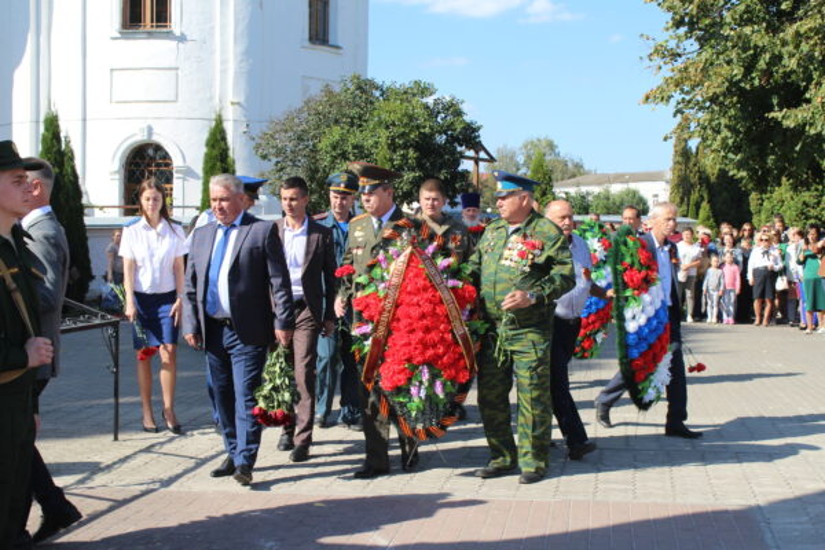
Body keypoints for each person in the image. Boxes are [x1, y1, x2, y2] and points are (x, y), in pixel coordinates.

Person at [183, 174, 294, 486]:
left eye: (224, 200)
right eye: (214, 200)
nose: (218, 206)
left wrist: (283, 322)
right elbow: (190, 285)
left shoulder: (260, 231)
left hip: (247, 330)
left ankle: (245, 460)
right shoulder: (202, 234)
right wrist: (191, 323)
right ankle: (232, 451)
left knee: (245, 395)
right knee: (221, 396)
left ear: (240, 199)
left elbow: (279, 282)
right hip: (212, 330)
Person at [469, 170, 575, 485]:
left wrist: (533, 295)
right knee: (490, 396)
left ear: (524, 199)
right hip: (491, 329)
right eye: (498, 197)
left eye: (504, 197)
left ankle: (533, 462)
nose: (497, 202)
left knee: (532, 396)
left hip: (529, 330)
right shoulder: (492, 231)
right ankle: (501, 456)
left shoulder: (546, 231)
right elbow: (475, 267)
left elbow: (566, 275)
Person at [334, 162, 417, 479]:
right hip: (364, 323)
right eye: (363, 193)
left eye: (370, 192)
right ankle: (376, 460)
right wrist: (342, 295)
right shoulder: (357, 225)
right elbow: (346, 266)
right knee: (368, 389)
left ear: (388, 192)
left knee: (400, 387)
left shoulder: (408, 225)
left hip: (399, 324)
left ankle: (409, 443)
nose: (365, 198)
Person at [595, 202, 703, 439]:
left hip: (669, 314)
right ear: (651, 222)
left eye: (674, 220)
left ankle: (675, 421)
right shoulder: (640, 246)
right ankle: (604, 400)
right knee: (640, 364)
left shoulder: (671, 249)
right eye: (667, 219)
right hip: (646, 317)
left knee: (675, 369)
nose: (672, 224)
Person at [20, 159, 82, 544]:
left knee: (16, 438)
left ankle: (52, 506)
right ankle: (54, 505)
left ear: (37, 189)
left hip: (33, 353)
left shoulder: (41, 231)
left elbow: (46, 293)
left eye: (18, 182)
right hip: (32, 352)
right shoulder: (33, 227)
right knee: (17, 438)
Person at [0, 141, 54, 550]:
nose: (28, 189)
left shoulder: (16, 241)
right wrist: (23, 356)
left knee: (16, 489)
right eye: (17, 181)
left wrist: (32, 400)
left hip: (18, 395)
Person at [274, 177, 336, 463]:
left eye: (294, 198)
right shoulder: (272, 231)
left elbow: (330, 277)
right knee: (281, 372)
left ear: (306, 199)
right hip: (278, 312)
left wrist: (329, 315)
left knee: (304, 372)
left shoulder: (320, 234)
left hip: (307, 311)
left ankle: (303, 438)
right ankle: (286, 428)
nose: (289, 204)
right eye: (285, 198)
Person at [119, 179, 188, 434]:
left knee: (168, 351)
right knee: (144, 355)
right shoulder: (132, 230)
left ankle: (168, 409)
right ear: (141, 201)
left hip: (167, 299)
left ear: (163, 201)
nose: (151, 203)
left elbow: (179, 267)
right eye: (147, 199)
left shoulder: (175, 230)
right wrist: (128, 301)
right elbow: (128, 269)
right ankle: (147, 411)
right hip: (141, 299)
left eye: (156, 199)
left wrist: (181, 297)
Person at [544, 199, 603, 460]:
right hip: (548, 322)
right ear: (548, 221)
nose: (568, 222)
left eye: (570, 217)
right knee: (558, 382)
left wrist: (608, 294)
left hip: (572, 323)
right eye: (561, 218)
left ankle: (539, 435)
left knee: (549, 383)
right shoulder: (541, 245)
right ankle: (576, 439)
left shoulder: (580, 243)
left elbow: (586, 280)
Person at [417, 178, 473, 420]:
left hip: (453, 304)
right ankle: (423, 403)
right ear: (420, 200)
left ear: (445, 202)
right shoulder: (410, 227)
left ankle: (451, 401)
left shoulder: (458, 229)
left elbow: (470, 263)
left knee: (452, 355)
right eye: (427, 199)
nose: (431, 203)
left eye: (436, 199)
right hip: (420, 305)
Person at [313, 171, 362, 430]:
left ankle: (350, 411)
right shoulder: (318, 226)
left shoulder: (362, 226)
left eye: (345, 197)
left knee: (352, 358)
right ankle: (322, 409)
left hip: (355, 306)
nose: (339, 202)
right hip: (325, 304)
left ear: (353, 198)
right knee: (326, 357)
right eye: (335, 196)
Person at [747, 230, 782, 327]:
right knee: (757, 297)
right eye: (761, 240)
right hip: (758, 272)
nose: (764, 242)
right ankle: (758, 317)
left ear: (770, 241)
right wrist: (750, 277)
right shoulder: (756, 251)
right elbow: (751, 265)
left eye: (766, 240)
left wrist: (774, 267)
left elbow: (780, 265)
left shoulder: (774, 251)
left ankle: (766, 319)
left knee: (769, 298)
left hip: (770, 273)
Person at [797, 225, 825, 335]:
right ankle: (809, 326)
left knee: (822, 302)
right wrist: (804, 252)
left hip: (821, 275)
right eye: (809, 234)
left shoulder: (822, 244)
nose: (811, 236)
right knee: (809, 302)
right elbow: (799, 261)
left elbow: (816, 251)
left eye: (813, 233)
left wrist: (817, 247)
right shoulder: (804, 246)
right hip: (808, 276)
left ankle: (822, 325)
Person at [676, 227, 702, 322]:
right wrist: (681, 265)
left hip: (691, 273)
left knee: (690, 294)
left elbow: (699, 261)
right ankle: (677, 313)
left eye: (689, 234)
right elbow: (674, 259)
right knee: (678, 294)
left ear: (692, 235)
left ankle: (689, 314)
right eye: (685, 234)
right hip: (679, 272)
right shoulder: (678, 246)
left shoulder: (696, 247)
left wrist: (689, 265)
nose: (687, 236)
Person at [720, 251, 741, 325]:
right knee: (724, 303)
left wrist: (738, 288)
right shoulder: (722, 267)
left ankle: (731, 317)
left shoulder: (735, 267)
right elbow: (720, 278)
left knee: (731, 303)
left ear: (733, 258)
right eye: (727, 257)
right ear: (724, 258)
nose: (729, 258)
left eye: (730, 257)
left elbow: (738, 278)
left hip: (732, 288)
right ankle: (725, 317)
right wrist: (720, 288)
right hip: (724, 288)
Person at [702, 254, 724, 324]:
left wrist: (721, 289)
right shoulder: (708, 271)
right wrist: (704, 288)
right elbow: (706, 280)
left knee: (715, 304)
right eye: (714, 261)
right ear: (711, 262)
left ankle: (714, 317)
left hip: (716, 290)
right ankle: (709, 317)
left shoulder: (720, 271)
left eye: (717, 261)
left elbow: (722, 281)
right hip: (709, 290)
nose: (716, 263)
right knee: (709, 303)